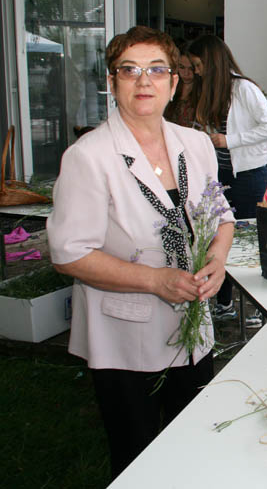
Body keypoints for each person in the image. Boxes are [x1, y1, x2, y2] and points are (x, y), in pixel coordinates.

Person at [46, 26, 235, 479]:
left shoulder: (196, 144)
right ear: (112, 83)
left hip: (193, 328)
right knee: (138, 458)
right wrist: (154, 280)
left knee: (193, 446)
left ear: (174, 83)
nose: (143, 81)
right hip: (126, 338)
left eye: (156, 70)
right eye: (129, 70)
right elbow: (68, 254)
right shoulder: (89, 156)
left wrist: (218, 260)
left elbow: (222, 216)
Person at [188, 35, 267, 327]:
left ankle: (256, 307)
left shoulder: (244, 88)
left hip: (249, 175)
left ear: (212, 62)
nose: (196, 70)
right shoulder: (210, 89)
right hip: (221, 175)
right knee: (220, 238)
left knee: (248, 240)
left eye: (199, 64)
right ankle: (225, 303)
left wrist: (229, 140)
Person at [163, 42, 199, 128]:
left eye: (191, 68)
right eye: (181, 67)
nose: (186, 73)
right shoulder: (169, 87)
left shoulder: (203, 92)